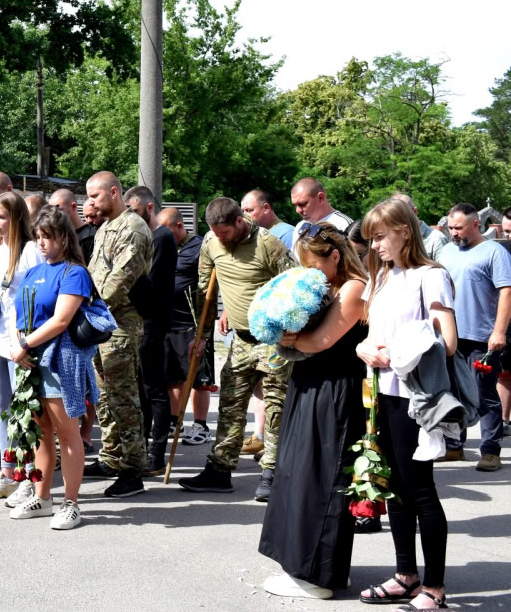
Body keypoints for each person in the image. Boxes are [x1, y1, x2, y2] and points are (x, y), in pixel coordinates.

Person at [355, 198, 458, 610]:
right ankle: (405, 574)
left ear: (404, 231)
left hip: (416, 398)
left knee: (419, 489)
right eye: (371, 238)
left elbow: (447, 343)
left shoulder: (430, 276)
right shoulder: (380, 278)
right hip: (380, 393)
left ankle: (434, 588)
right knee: (394, 487)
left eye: (380, 236)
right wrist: (365, 349)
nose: (374, 245)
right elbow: (364, 336)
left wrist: (393, 353)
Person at [258, 223, 369, 599]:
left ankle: (318, 577)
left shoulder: (354, 287)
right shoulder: (327, 285)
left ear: (335, 255)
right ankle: (317, 567)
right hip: (310, 384)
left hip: (335, 390)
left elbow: (322, 340)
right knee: (299, 475)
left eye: (312, 263)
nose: (308, 271)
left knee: (322, 479)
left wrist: (289, 337)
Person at [179, 198, 296, 501]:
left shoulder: (268, 244)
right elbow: (206, 290)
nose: (221, 238)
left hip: (272, 339)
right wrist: (202, 336)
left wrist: (290, 329)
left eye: (225, 233)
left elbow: (294, 286)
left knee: (275, 407)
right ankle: (219, 470)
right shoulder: (210, 242)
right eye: (216, 233)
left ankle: (272, 471)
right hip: (240, 341)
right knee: (230, 404)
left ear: (240, 222)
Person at [5, 206, 98, 530]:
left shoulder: (75, 272)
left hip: (60, 360)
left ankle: (71, 502)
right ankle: (43, 497)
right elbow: (18, 314)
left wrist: (25, 345)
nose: (42, 243)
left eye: (48, 236)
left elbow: (61, 320)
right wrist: (18, 344)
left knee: (67, 434)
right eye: (38, 236)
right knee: (40, 433)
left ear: (64, 237)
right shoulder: (33, 272)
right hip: (29, 361)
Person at [82, 172, 153, 498]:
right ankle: (111, 457)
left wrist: (83, 312)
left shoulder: (134, 228)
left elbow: (117, 282)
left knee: (124, 400)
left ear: (114, 192)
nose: (90, 203)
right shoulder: (106, 228)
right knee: (105, 399)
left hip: (119, 325)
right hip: (99, 325)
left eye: (95, 196)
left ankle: (133, 470)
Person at [0, 191, 43, 500]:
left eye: (3, 217)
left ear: (16, 218)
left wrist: (26, 340)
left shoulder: (30, 250)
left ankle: (29, 474)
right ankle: (8, 470)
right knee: (2, 407)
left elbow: (38, 297)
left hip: (22, 338)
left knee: (23, 409)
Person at [436, 202, 510, 471]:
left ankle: (490, 451)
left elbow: (506, 292)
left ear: (475, 225)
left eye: (459, 228)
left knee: (484, 394)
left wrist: (499, 331)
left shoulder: (494, 252)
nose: (453, 233)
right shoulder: (446, 252)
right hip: (450, 337)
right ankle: (454, 447)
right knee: (452, 393)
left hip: (482, 337)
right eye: (451, 227)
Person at [123, 186, 178, 474]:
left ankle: (156, 450)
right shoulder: (142, 236)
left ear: (148, 208)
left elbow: (150, 282)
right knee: (141, 389)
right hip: (137, 322)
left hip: (153, 323)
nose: (130, 215)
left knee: (154, 388)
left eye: (133, 209)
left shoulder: (163, 238)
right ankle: (141, 447)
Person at [156, 208, 213, 445]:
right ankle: (173, 420)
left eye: (166, 230)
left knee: (199, 378)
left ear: (179, 226)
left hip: (191, 323)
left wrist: (204, 330)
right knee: (173, 377)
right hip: (167, 323)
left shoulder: (198, 247)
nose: (161, 234)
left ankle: (200, 425)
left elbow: (208, 287)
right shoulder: (163, 245)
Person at [49, 188, 96, 263]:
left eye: (58, 209)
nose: (54, 214)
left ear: (74, 206)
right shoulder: (58, 237)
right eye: (51, 210)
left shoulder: (90, 238)